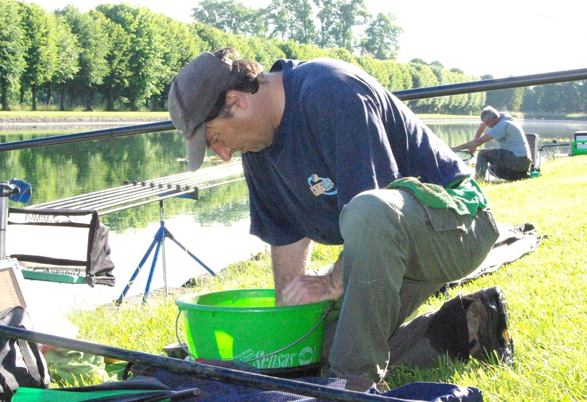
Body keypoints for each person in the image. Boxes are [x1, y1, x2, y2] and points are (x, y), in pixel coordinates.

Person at [168, 48, 514, 391]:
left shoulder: (331, 90)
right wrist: (289, 330)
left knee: (368, 214)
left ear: (236, 101)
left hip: (457, 221)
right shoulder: (257, 149)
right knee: (311, 351)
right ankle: (464, 326)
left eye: (215, 139)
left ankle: (351, 386)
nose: (223, 154)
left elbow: (375, 211)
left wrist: (331, 283)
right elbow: (286, 238)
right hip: (387, 243)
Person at [452, 106, 532, 181]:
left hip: (517, 159)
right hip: (524, 161)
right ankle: (521, 176)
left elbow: (480, 141)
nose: (486, 126)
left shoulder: (502, 126)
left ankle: (479, 180)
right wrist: (476, 138)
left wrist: (457, 148)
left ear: (491, 120)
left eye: (487, 123)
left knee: (483, 153)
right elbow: (482, 124)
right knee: (492, 168)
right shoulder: (501, 116)